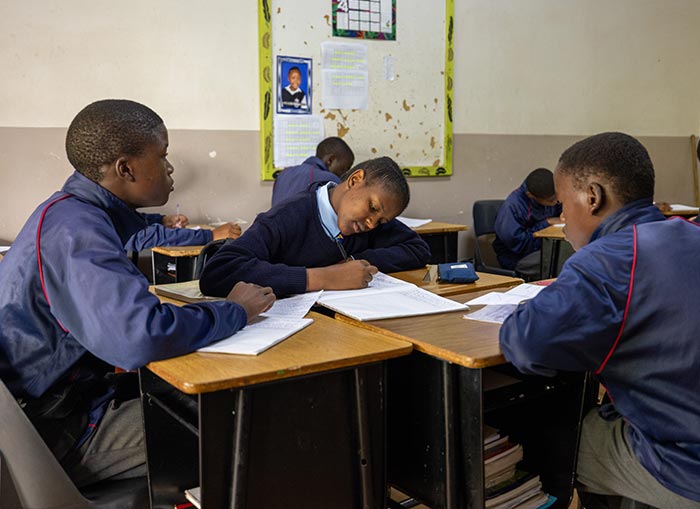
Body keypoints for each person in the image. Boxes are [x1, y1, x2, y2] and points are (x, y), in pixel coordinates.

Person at [0, 99, 276, 488]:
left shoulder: (73, 211)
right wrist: (233, 310)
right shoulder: (78, 231)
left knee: (202, 397)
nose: (170, 166)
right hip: (55, 430)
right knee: (244, 431)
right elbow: (139, 336)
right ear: (125, 168)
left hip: (58, 400)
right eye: (162, 154)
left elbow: (143, 231)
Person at [499, 132, 700, 508]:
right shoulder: (690, 232)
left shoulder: (607, 260)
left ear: (592, 197)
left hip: (687, 466)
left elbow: (527, 343)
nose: (560, 218)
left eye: (562, 204)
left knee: (556, 439)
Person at [200, 156, 431, 297]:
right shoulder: (288, 217)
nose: (372, 223)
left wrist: (355, 263)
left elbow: (418, 249)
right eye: (372, 207)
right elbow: (218, 272)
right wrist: (323, 277)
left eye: (382, 221)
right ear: (354, 180)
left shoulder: (367, 224)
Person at [493, 167, 562, 280]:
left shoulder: (550, 193)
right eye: (550, 201)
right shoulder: (513, 207)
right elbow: (519, 245)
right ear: (530, 195)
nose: (555, 202)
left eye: (557, 198)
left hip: (544, 247)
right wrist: (547, 223)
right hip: (517, 257)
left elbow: (559, 209)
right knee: (559, 261)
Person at [271, 136, 355, 207]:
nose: (344, 174)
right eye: (344, 169)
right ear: (330, 160)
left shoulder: (283, 174)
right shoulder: (329, 179)